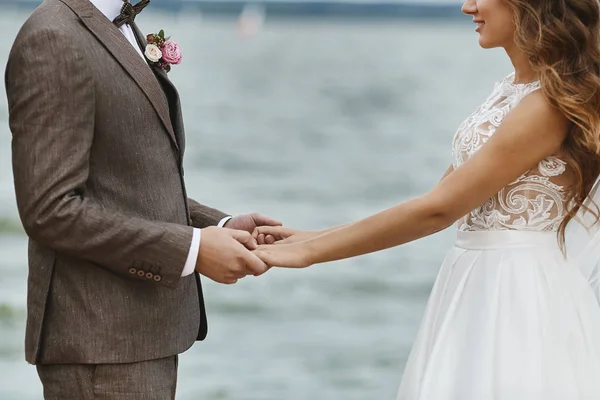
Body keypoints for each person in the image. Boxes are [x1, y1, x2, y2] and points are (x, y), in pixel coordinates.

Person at [253, 0, 600, 398]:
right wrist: (308, 237)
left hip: (517, 293)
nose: (468, 7)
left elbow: (438, 211)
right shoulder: (513, 91)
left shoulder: (545, 105)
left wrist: (308, 255)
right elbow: (438, 197)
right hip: (477, 280)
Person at [4, 0, 280, 398]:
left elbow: (125, 184)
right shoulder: (54, 37)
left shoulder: (119, 25)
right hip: (100, 351)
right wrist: (192, 249)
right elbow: (50, 210)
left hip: (139, 342)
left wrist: (216, 226)